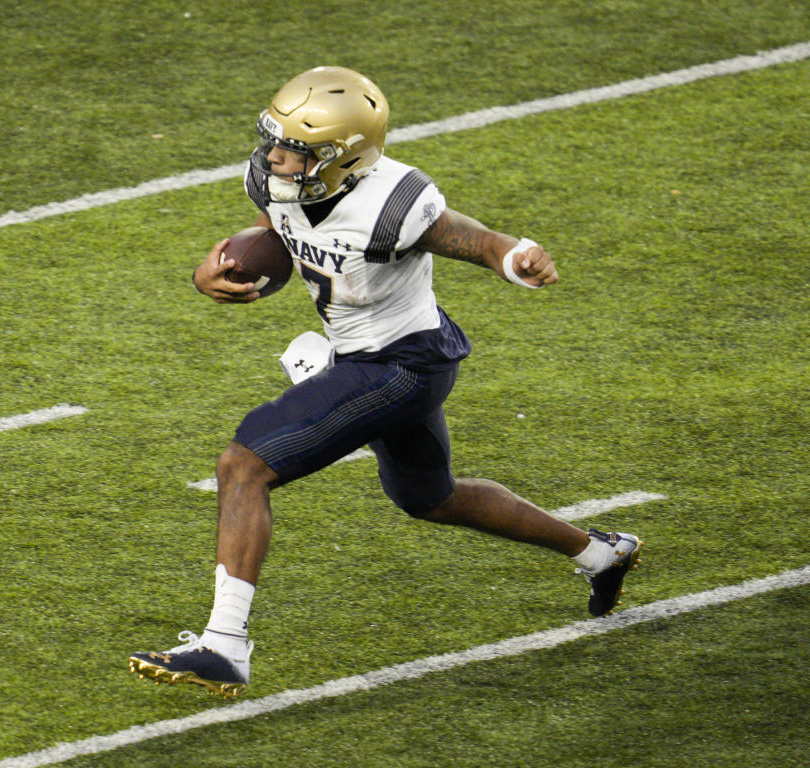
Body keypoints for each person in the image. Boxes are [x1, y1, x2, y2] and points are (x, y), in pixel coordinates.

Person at [129, 66, 642, 699]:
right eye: (276, 139)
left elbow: (477, 241)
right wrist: (215, 274)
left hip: (402, 364)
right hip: (366, 357)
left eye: (299, 149)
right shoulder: (271, 175)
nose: (277, 156)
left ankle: (225, 646)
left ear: (346, 158)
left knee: (244, 463)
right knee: (430, 497)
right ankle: (601, 553)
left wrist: (517, 258)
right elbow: (284, 235)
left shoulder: (395, 202)